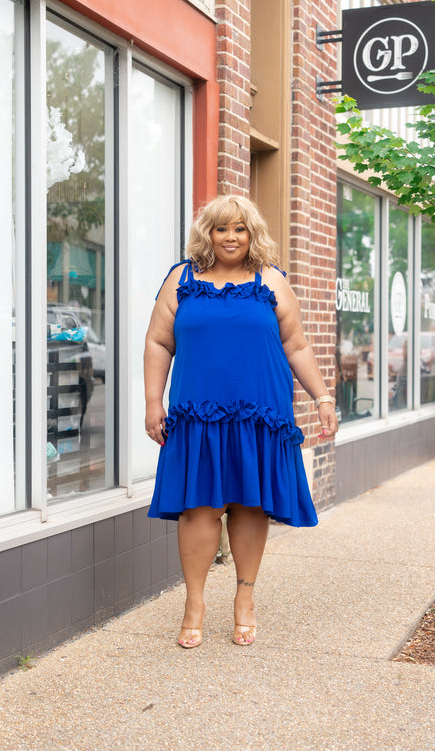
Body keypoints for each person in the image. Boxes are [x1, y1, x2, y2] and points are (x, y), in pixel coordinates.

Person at [144, 195, 338, 649]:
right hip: (197, 413)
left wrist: (322, 397)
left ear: (253, 234)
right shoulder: (182, 279)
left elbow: (297, 346)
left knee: (250, 504)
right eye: (221, 228)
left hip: (259, 413)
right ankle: (194, 603)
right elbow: (157, 342)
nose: (230, 237)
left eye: (240, 229)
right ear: (207, 234)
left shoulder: (271, 280)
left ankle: (244, 600)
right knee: (199, 508)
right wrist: (154, 401)